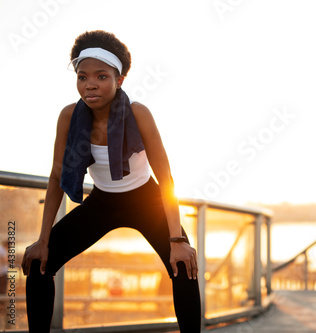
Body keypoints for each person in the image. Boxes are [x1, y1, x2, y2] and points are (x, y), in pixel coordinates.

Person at [21, 30, 201, 332]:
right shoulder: (69, 116)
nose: (90, 83)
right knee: (39, 266)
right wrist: (43, 240)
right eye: (82, 76)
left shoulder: (137, 113)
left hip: (147, 201)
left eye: (101, 76)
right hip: (102, 202)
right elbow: (56, 176)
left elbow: (165, 176)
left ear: (119, 79)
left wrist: (177, 240)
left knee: (183, 266)